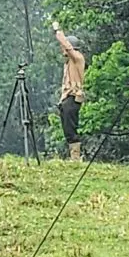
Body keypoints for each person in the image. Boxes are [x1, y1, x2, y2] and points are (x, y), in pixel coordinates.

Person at [53, 21, 86, 161]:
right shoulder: (69, 63)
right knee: (67, 128)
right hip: (67, 98)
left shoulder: (77, 58)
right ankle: (73, 156)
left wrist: (57, 30)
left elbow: (66, 45)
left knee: (71, 128)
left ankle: (76, 157)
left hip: (73, 97)